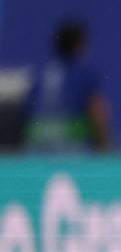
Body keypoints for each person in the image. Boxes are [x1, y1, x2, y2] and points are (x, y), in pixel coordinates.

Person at [24, 19, 112, 152]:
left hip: (37, 151)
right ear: (79, 46)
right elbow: (97, 111)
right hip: (73, 151)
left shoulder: (39, 75)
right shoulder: (84, 74)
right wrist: (106, 147)